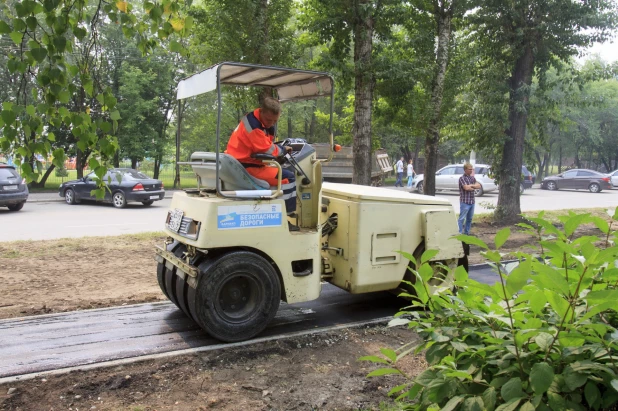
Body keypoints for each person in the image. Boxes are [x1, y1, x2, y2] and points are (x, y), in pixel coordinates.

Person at [225, 97, 298, 231]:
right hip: (246, 167)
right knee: (289, 177)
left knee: (281, 172)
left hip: (243, 162)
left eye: (275, 121)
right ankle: (286, 218)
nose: (271, 123)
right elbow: (266, 149)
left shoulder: (258, 121)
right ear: (262, 112)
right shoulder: (254, 127)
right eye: (269, 120)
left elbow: (265, 144)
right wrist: (282, 149)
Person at [458, 163, 481, 235]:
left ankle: (466, 233)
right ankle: (459, 233)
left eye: (472, 169)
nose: (471, 171)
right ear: (465, 170)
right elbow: (466, 188)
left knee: (469, 219)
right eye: (470, 169)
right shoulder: (462, 178)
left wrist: (471, 186)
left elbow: (479, 186)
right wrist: (473, 186)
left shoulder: (472, 178)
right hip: (465, 202)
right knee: (462, 218)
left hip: (472, 202)